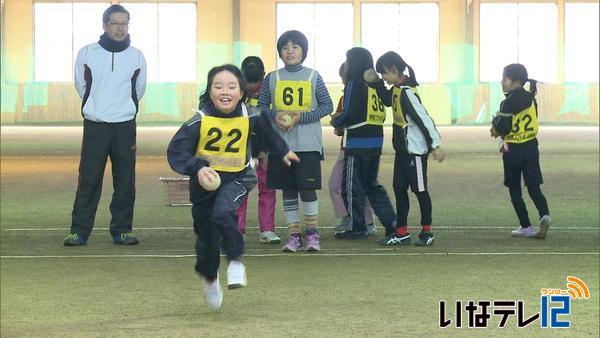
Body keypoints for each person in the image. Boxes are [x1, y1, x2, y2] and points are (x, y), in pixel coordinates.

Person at [167, 64, 298, 311]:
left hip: (238, 177)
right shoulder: (199, 121)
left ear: (241, 92)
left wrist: (283, 150)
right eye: (218, 86)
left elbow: (268, 134)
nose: (224, 91)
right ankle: (210, 277)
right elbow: (176, 151)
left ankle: (236, 262)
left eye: (231, 86)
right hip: (204, 186)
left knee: (224, 212)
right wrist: (197, 167)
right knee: (206, 240)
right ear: (210, 90)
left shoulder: (251, 116)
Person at [64, 4, 147, 246]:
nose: (120, 28)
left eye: (124, 24)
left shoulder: (137, 56)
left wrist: (123, 108)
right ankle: (79, 231)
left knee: (125, 180)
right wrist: (97, 106)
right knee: (88, 179)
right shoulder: (87, 53)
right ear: (104, 25)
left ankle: (121, 230)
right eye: (115, 23)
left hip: (125, 127)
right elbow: (81, 85)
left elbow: (139, 90)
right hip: (95, 126)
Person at [258, 30, 333, 252]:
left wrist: (302, 117)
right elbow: (261, 106)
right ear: (280, 52)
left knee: (307, 190)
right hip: (281, 147)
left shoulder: (314, 76)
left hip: (308, 144)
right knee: (288, 190)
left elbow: (326, 106)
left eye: (295, 47)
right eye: (285, 47)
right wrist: (275, 116)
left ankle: (312, 234)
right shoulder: (272, 78)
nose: (290, 51)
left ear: (304, 51)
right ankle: (294, 236)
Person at [364, 51, 445, 246]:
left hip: (415, 153)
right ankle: (401, 232)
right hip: (402, 152)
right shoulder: (397, 89)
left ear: (393, 70)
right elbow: (386, 99)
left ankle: (427, 232)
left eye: (383, 73)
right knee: (399, 190)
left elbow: (423, 119)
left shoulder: (407, 92)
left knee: (420, 191)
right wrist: (375, 83)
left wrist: (435, 145)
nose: (383, 77)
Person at [331, 48, 396, 239]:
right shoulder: (374, 84)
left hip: (358, 143)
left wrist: (336, 121)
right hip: (376, 142)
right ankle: (391, 221)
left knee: (351, 187)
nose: (347, 65)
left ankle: (357, 227)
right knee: (371, 185)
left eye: (348, 61)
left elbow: (349, 112)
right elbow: (386, 103)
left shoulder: (354, 84)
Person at [490, 63, 551, 239]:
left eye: (504, 79)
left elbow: (503, 128)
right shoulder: (531, 99)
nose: (502, 82)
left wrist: (495, 128)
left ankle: (526, 226)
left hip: (513, 151)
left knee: (514, 188)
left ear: (515, 82)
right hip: (531, 147)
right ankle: (544, 215)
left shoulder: (507, 102)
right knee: (534, 187)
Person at [236, 56, 280, 244]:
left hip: (266, 149)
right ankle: (237, 231)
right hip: (242, 151)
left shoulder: (270, 92)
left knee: (268, 188)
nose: (253, 87)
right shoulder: (236, 93)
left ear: (264, 75)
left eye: (257, 82)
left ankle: (267, 230)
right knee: (240, 190)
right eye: (249, 82)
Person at [329, 62, 376, 234]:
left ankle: (365, 221)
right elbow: (339, 130)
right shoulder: (347, 98)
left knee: (350, 185)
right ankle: (351, 217)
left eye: (344, 76)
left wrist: (337, 121)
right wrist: (338, 125)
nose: (343, 80)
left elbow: (341, 125)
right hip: (353, 147)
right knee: (340, 184)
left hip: (354, 148)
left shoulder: (358, 96)